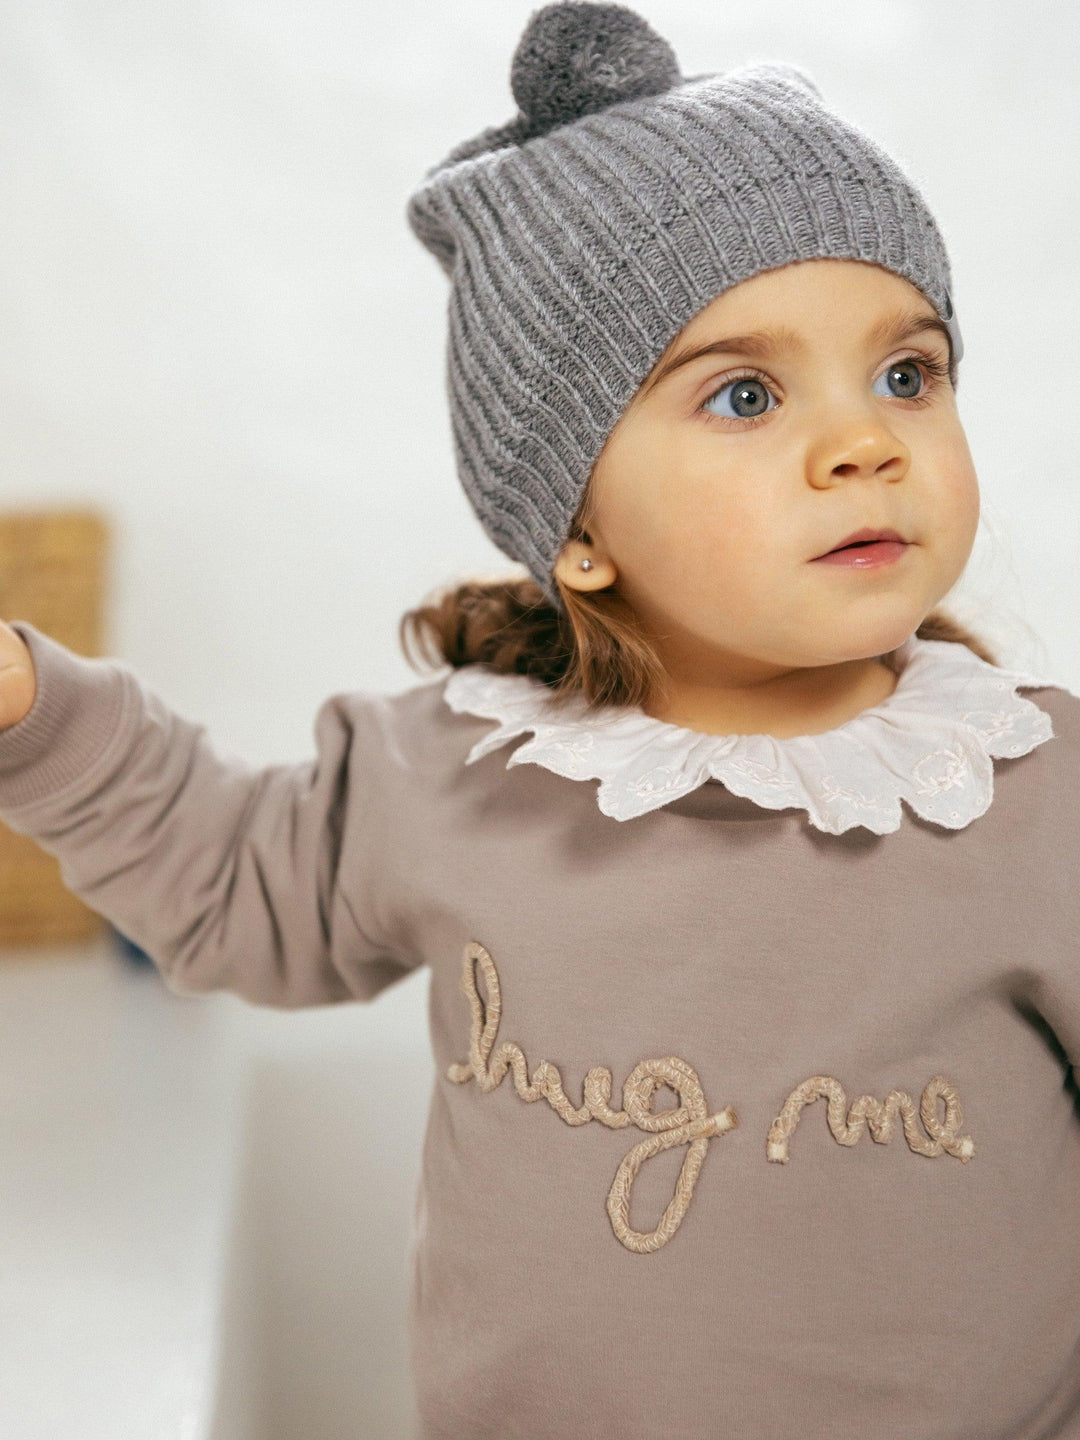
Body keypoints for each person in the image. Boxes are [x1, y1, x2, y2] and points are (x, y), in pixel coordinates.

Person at [1, 4, 1078, 1436]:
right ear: (576, 526)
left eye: (909, 371)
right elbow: (233, 883)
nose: (866, 439)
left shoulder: (1030, 795)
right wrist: (31, 708)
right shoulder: (462, 771)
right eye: (746, 394)